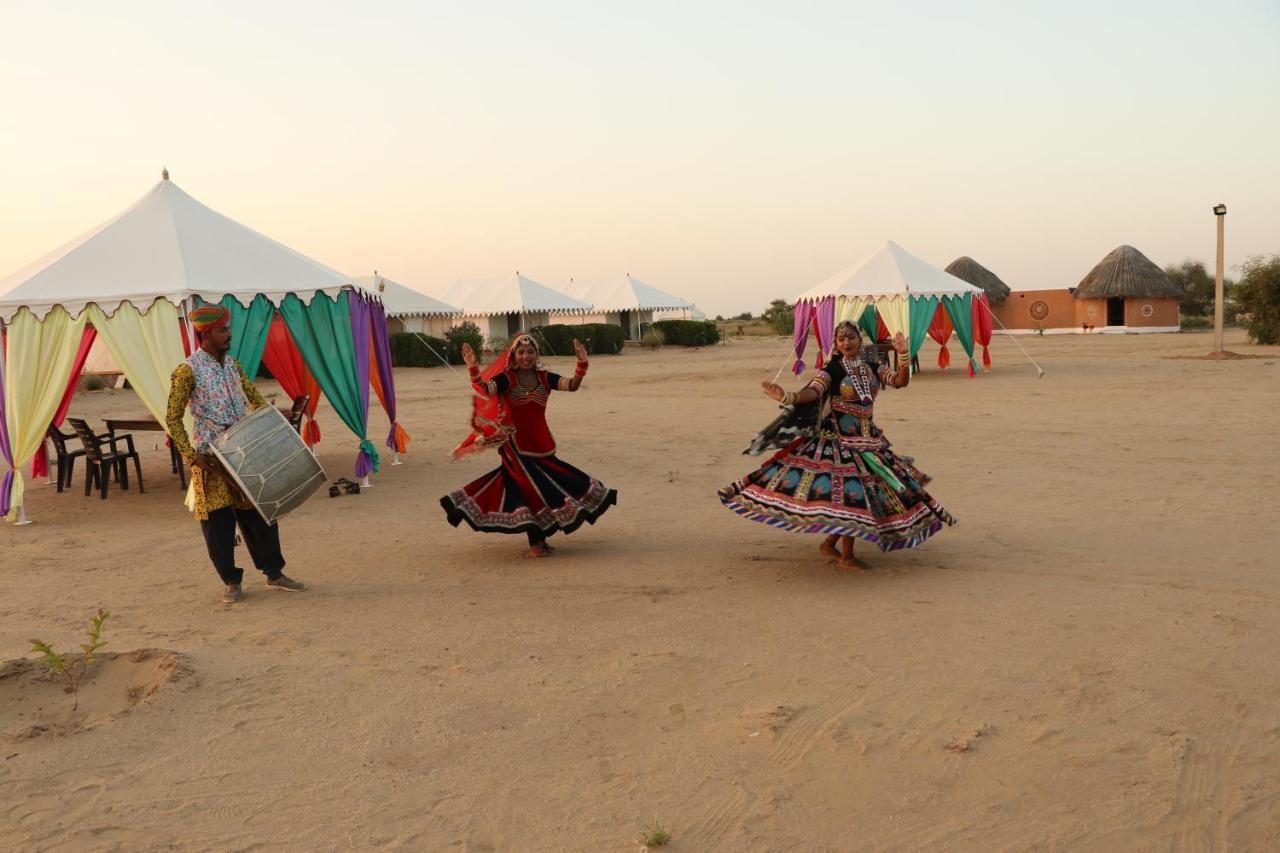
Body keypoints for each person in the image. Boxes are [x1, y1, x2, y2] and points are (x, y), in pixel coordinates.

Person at [718, 321, 955, 570]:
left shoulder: (873, 365)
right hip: (838, 440)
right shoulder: (831, 369)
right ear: (836, 342)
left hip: (869, 439)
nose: (846, 343)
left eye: (850, 337)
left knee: (873, 492)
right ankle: (847, 556)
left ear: (859, 339)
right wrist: (788, 397)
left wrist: (904, 355)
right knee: (852, 494)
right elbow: (813, 392)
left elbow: (899, 381)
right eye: (841, 339)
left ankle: (830, 544)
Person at [166, 304, 306, 603]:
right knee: (217, 524)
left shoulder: (234, 365)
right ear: (205, 334)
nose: (229, 335)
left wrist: (275, 422)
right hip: (211, 458)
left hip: (244, 452)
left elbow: (254, 400)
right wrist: (191, 456)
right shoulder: (187, 371)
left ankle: (274, 572)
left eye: (227, 329)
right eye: (222, 330)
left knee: (261, 514)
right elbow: (172, 417)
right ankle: (231, 580)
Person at [441, 334, 617, 557]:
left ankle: (540, 539)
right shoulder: (507, 379)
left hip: (541, 442)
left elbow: (571, 386)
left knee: (545, 486)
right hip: (514, 445)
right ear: (514, 355)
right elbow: (485, 389)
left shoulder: (545, 378)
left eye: (530, 352)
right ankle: (536, 543)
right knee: (529, 490)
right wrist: (473, 368)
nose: (526, 356)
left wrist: (582, 364)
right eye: (521, 352)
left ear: (536, 355)